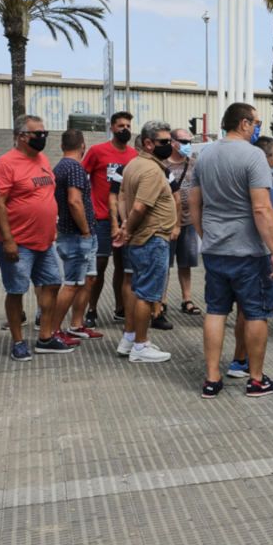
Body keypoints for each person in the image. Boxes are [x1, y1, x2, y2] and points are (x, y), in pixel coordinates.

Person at [190, 103, 273, 398]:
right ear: (243, 123)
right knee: (256, 313)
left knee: (216, 311)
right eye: (256, 122)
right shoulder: (254, 156)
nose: (258, 127)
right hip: (249, 252)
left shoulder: (205, 156)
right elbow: (261, 207)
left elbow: (194, 203)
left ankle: (212, 379)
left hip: (216, 249)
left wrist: (206, 235)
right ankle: (256, 380)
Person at [0, 115, 71, 359]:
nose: (43, 138)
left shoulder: (42, 159)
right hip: (18, 243)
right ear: (22, 136)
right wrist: (8, 240)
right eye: (38, 134)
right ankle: (18, 341)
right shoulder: (5, 164)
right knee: (16, 291)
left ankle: (45, 337)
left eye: (44, 133)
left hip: (44, 241)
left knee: (53, 283)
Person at [113, 120, 178, 363]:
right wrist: (127, 229)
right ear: (149, 144)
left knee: (139, 288)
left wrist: (125, 226)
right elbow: (139, 207)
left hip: (143, 238)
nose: (169, 145)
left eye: (170, 141)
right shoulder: (151, 170)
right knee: (147, 295)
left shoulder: (133, 164)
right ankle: (141, 346)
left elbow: (122, 198)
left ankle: (129, 338)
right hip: (152, 238)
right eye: (163, 142)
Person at [225, 135, 273, 378]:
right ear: (264, 157)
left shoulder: (258, 178)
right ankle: (246, 365)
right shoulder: (258, 181)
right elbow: (263, 212)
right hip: (257, 253)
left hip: (242, 250)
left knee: (243, 311)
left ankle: (241, 359)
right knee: (254, 311)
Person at [82, 111, 137, 326]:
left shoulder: (134, 155)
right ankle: (92, 309)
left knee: (124, 268)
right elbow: (82, 177)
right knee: (99, 266)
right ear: (112, 128)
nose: (125, 129)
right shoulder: (97, 151)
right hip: (101, 219)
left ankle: (120, 308)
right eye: (121, 125)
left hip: (126, 220)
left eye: (128, 126)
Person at [51, 128, 103, 341]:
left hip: (80, 235)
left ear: (62, 146)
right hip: (77, 235)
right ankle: (53, 330)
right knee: (72, 284)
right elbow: (74, 201)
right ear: (83, 146)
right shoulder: (74, 168)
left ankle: (76, 325)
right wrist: (84, 230)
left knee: (88, 279)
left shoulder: (61, 167)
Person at [162, 127, 200, 321]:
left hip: (188, 221)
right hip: (167, 222)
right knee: (164, 264)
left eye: (189, 142)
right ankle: (162, 300)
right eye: (183, 142)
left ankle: (187, 299)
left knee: (186, 263)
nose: (187, 145)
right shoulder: (162, 164)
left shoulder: (194, 164)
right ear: (173, 142)